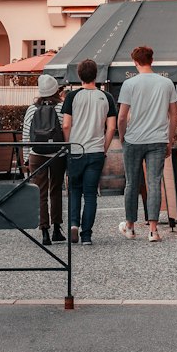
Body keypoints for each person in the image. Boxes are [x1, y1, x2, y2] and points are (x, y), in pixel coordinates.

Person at [116, 45, 177, 243]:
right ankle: (153, 230)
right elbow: (174, 115)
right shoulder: (167, 83)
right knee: (154, 184)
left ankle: (130, 226)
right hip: (158, 140)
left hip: (134, 139)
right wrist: (170, 139)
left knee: (131, 183)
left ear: (135, 61)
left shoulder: (129, 84)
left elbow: (122, 116)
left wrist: (123, 136)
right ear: (152, 60)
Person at [61, 59, 118, 244]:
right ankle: (86, 235)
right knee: (91, 193)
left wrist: (69, 144)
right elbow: (111, 128)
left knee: (75, 189)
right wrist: (104, 147)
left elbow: (67, 124)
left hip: (76, 150)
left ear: (79, 75)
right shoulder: (106, 97)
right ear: (96, 75)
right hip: (96, 151)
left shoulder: (72, 97)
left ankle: (73, 225)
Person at [23, 72, 67, 244]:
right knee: (56, 190)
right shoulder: (60, 108)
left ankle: (44, 232)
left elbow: (26, 135)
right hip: (57, 155)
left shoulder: (32, 109)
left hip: (36, 154)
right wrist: (65, 152)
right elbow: (66, 131)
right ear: (56, 90)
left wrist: (26, 158)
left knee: (40, 192)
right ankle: (57, 228)